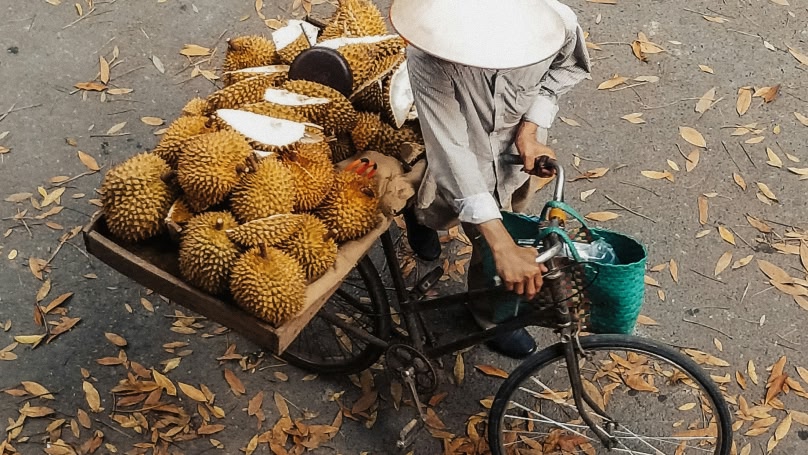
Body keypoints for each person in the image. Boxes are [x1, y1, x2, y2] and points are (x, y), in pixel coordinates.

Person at [389, 0, 591, 358]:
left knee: (500, 242)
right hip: (461, 149)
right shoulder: (429, 55)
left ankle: (488, 319)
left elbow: (563, 70)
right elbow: (450, 147)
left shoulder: (555, 25)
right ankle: (419, 219)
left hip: (512, 158)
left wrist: (529, 130)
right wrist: (500, 243)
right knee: (445, 206)